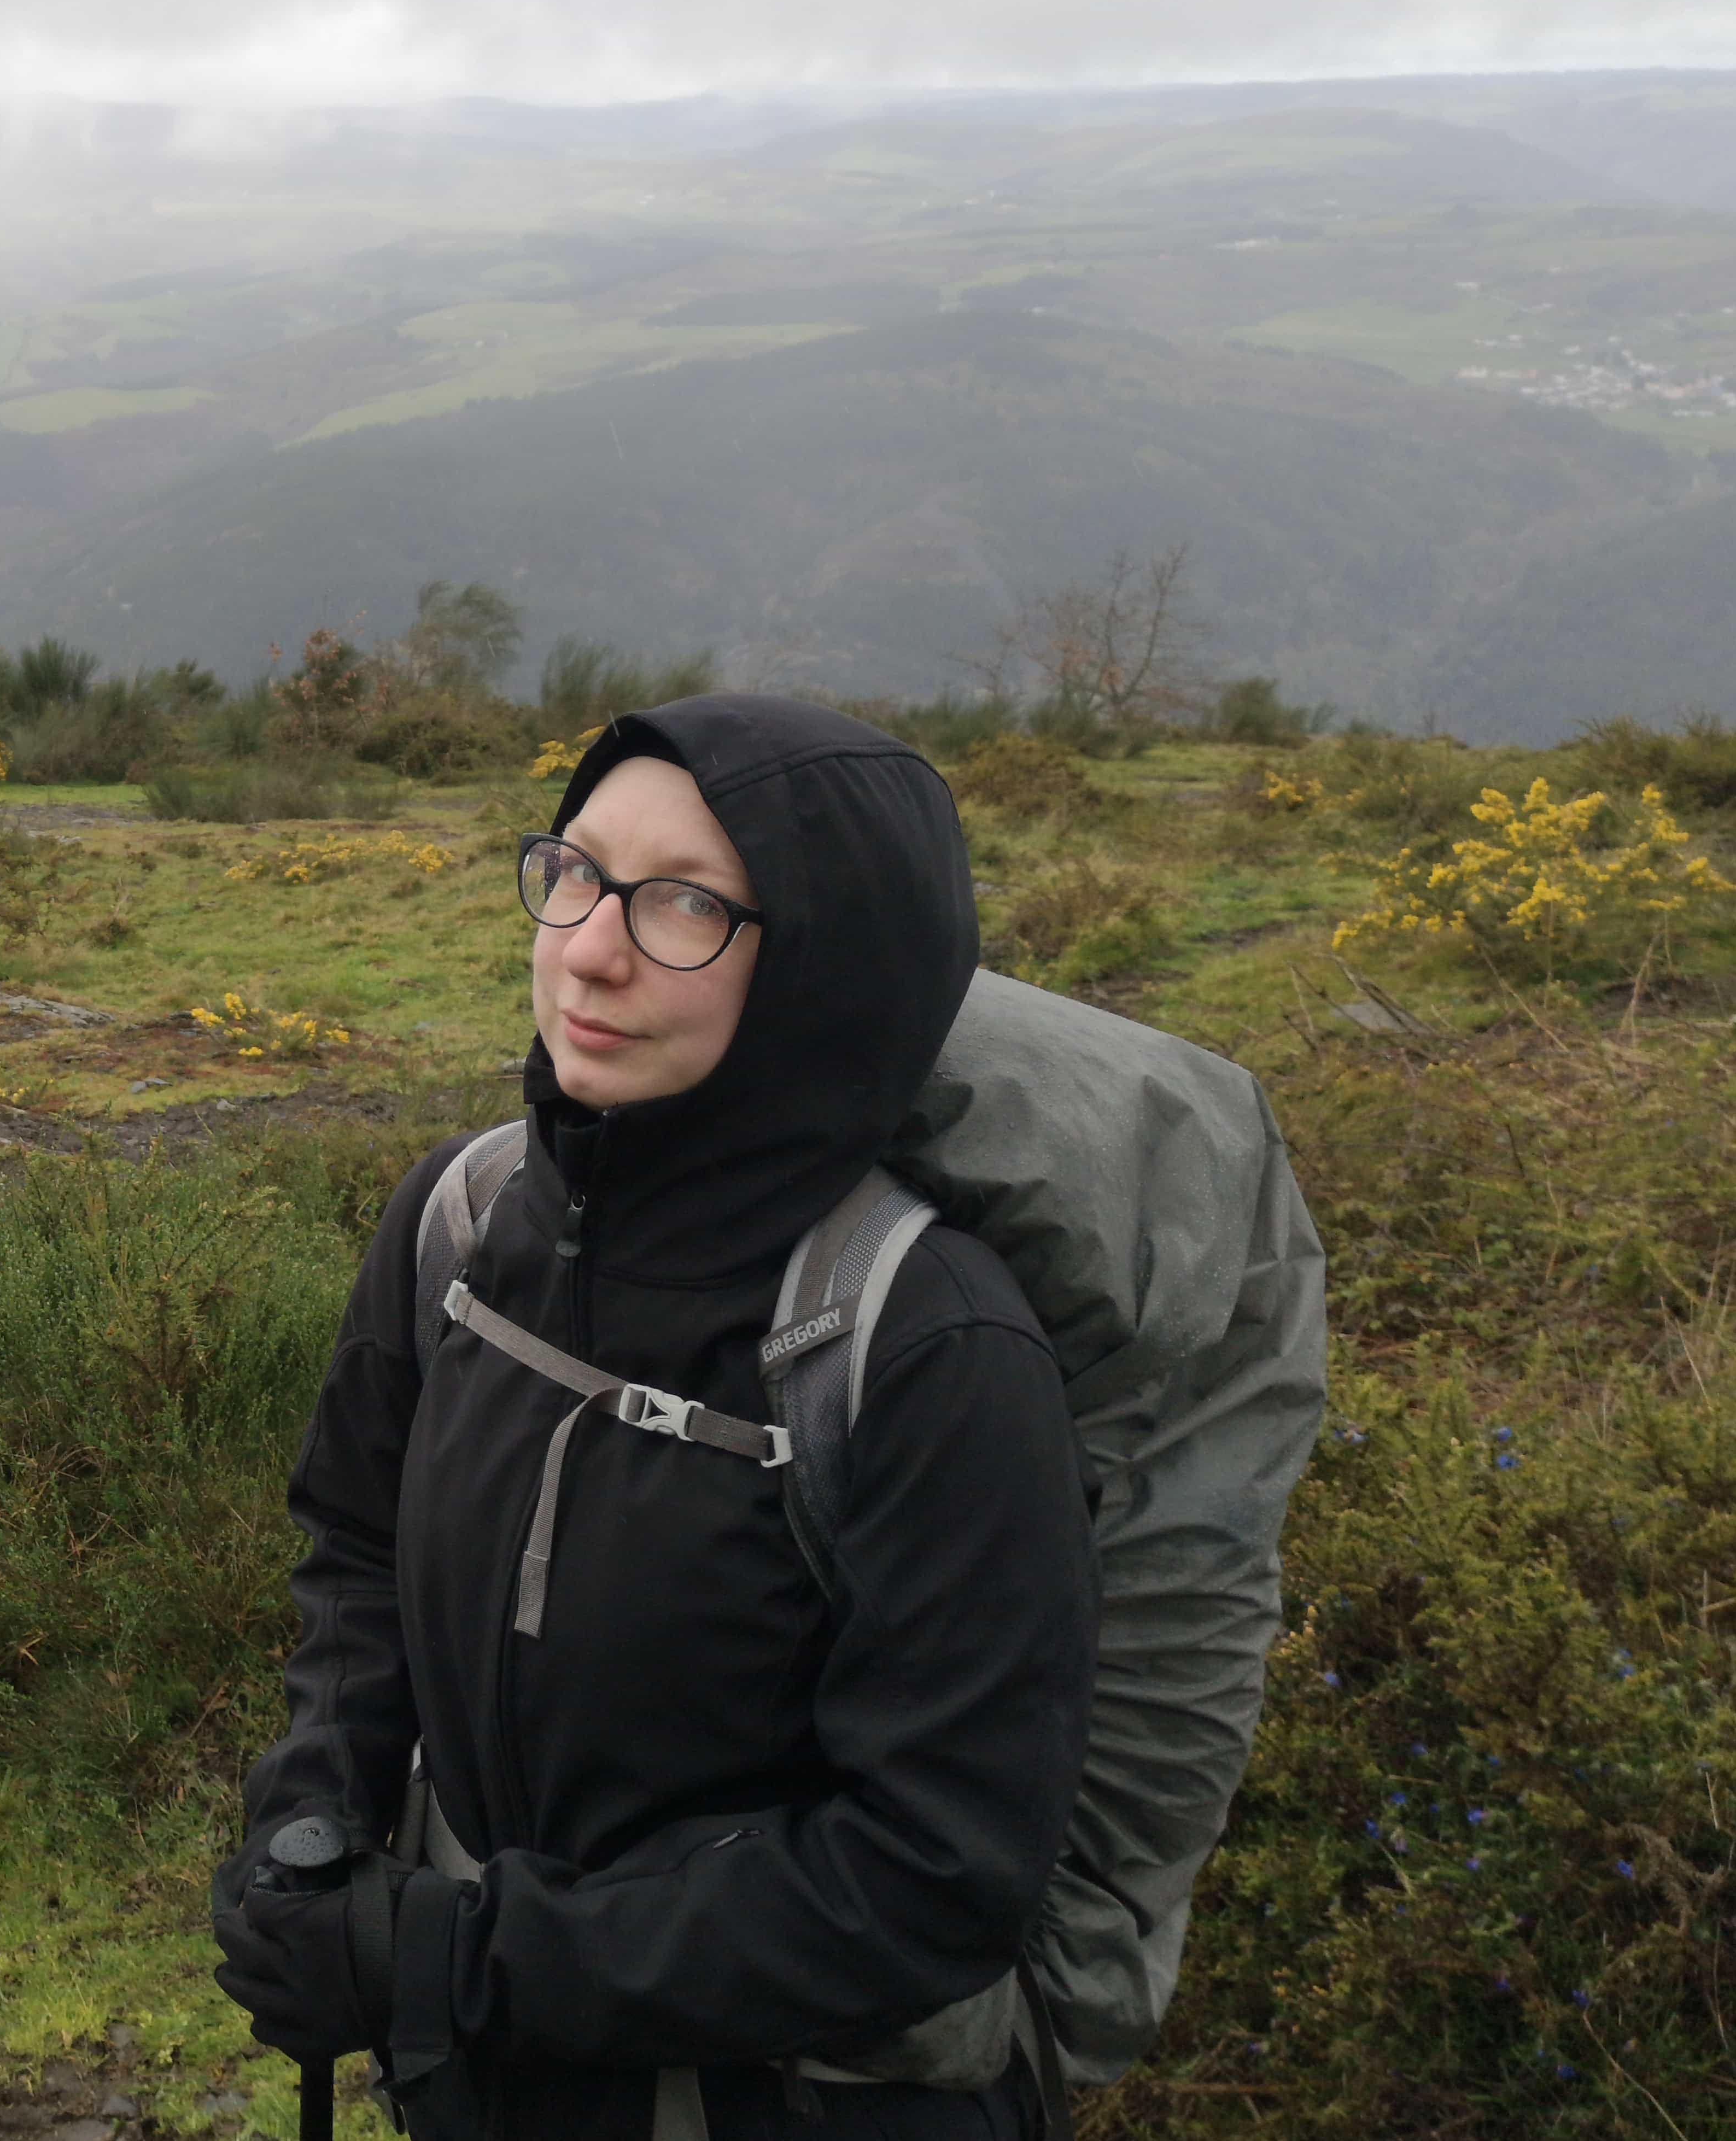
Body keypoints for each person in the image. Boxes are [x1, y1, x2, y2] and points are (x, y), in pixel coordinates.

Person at [211, 696, 1100, 2140]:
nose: (591, 947)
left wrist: (457, 1957)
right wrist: (311, 1815)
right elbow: (356, 1553)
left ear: (828, 968)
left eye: (684, 902)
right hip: (493, 2085)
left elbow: (931, 1877)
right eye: (575, 871)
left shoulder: (928, 1345)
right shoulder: (463, 1221)